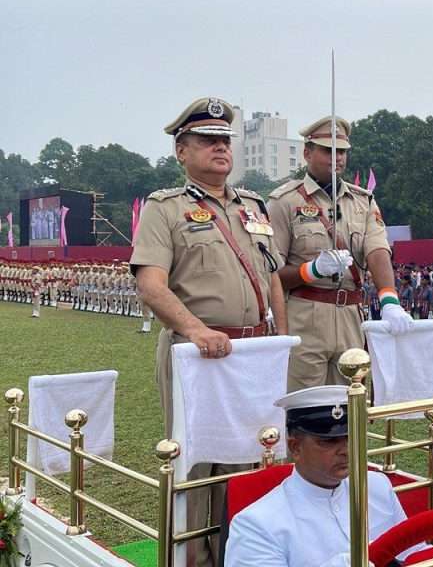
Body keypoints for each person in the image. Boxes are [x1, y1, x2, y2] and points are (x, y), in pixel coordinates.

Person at [131, 97, 289, 567]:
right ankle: (193, 561)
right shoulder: (166, 208)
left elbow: (273, 277)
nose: (221, 148)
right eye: (207, 141)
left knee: (251, 461)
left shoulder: (253, 207)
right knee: (197, 467)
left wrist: (278, 336)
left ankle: (241, 557)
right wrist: (197, 330)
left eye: (225, 140)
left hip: (252, 354)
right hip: (197, 354)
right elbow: (149, 284)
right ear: (182, 151)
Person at [268, 115, 412, 392]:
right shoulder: (284, 201)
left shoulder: (362, 201)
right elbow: (271, 272)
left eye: (342, 152)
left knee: (350, 407)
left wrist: (389, 301)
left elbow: (377, 250)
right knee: (305, 408)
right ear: (307, 152)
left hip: (350, 315)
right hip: (304, 317)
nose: (338, 159)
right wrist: (311, 270)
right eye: (328, 151)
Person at [225, 386, 415, 566]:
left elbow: (413, 553)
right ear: (295, 447)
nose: (346, 450)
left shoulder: (376, 486)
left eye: (352, 437)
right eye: (329, 441)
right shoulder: (258, 525)